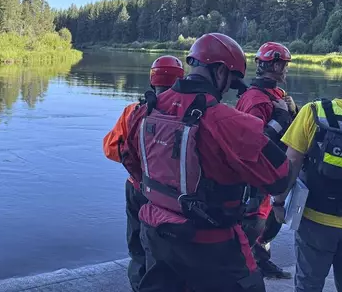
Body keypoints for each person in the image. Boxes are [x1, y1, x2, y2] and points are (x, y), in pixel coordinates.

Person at [123, 33, 292, 292]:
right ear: (221, 72)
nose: (228, 91)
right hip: (213, 243)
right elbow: (280, 177)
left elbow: (134, 166)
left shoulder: (144, 111)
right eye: (232, 82)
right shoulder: (227, 121)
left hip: (156, 234)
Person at [273, 51, 342, 292]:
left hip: (315, 221)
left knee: (308, 286)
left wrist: (278, 203)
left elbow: (290, 163)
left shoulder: (314, 112)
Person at [102, 55, 185, 292]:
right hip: (172, 196)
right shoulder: (187, 113)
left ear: (152, 80)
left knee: (138, 249)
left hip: (137, 188)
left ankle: (140, 286)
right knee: (167, 252)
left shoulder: (133, 111)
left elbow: (110, 149)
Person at [236, 42, 296, 280]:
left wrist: (294, 113)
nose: (287, 70)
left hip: (275, 169)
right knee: (255, 222)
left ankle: (261, 260)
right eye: (285, 65)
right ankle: (244, 270)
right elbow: (252, 142)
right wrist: (281, 117)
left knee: (271, 221)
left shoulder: (275, 95)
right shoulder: (256, 99)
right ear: (276, 65)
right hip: (257, 175)